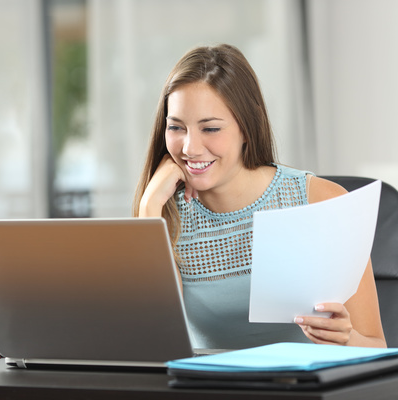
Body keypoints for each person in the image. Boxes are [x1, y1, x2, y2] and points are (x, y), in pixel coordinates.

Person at [133, 44, 386, 349]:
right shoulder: (164, 212)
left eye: (210, 129)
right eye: (176, 127)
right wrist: (149, 209)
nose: (189, 148)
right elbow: (152, 344)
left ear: (246, 128)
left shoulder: (323, 201)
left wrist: (346, 338)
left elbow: (377, 347)